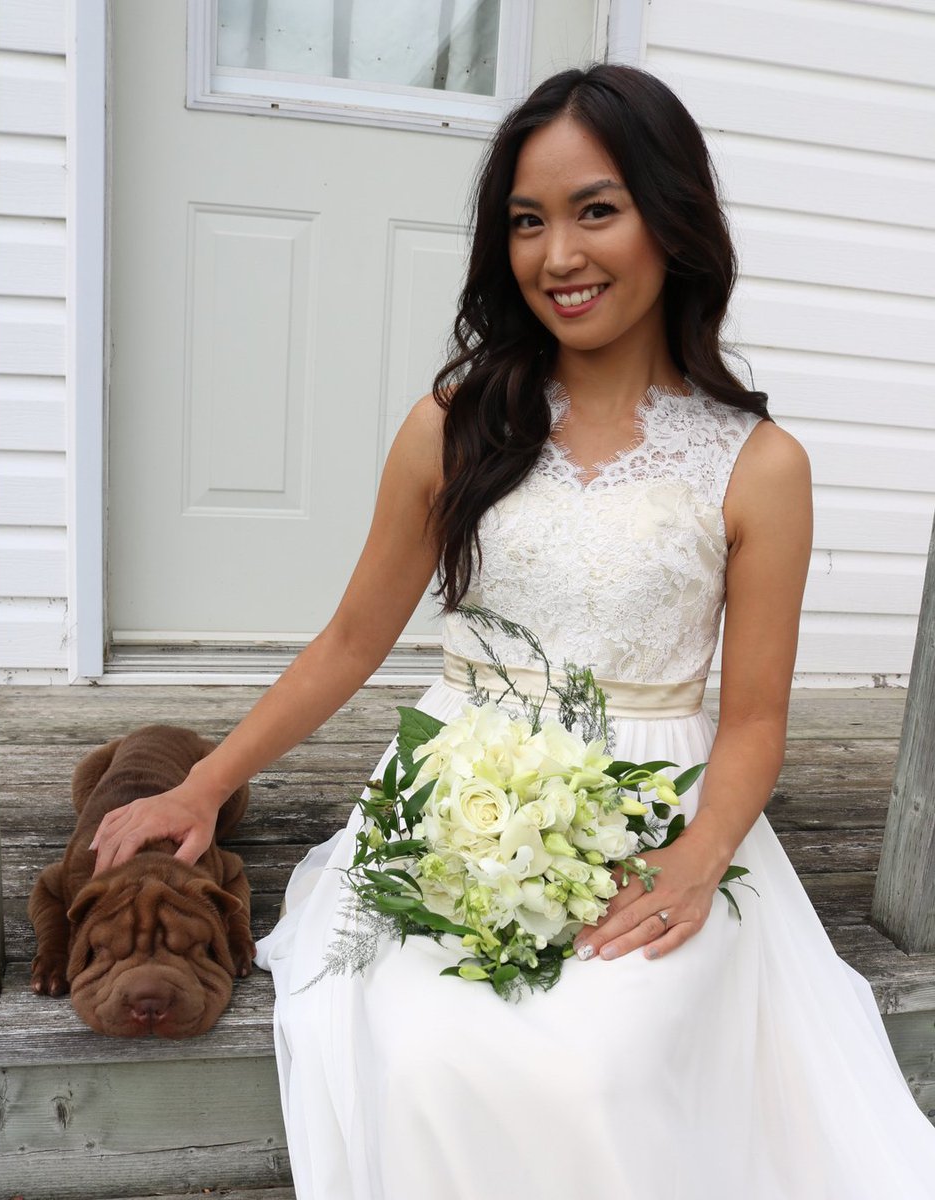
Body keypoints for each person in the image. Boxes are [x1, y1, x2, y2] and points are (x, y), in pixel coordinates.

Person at [91, 64, 935, 1199]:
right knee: (429, 1052)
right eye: (528, 222)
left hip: (659, 808)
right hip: (455, 795)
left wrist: (696, 862)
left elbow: (755, 720)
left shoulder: (760, 466)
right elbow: (350, 642)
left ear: (671, 216)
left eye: (597, 210)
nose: (558, 256)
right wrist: (203, 786)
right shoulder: (453, 424)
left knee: (601, 1064)